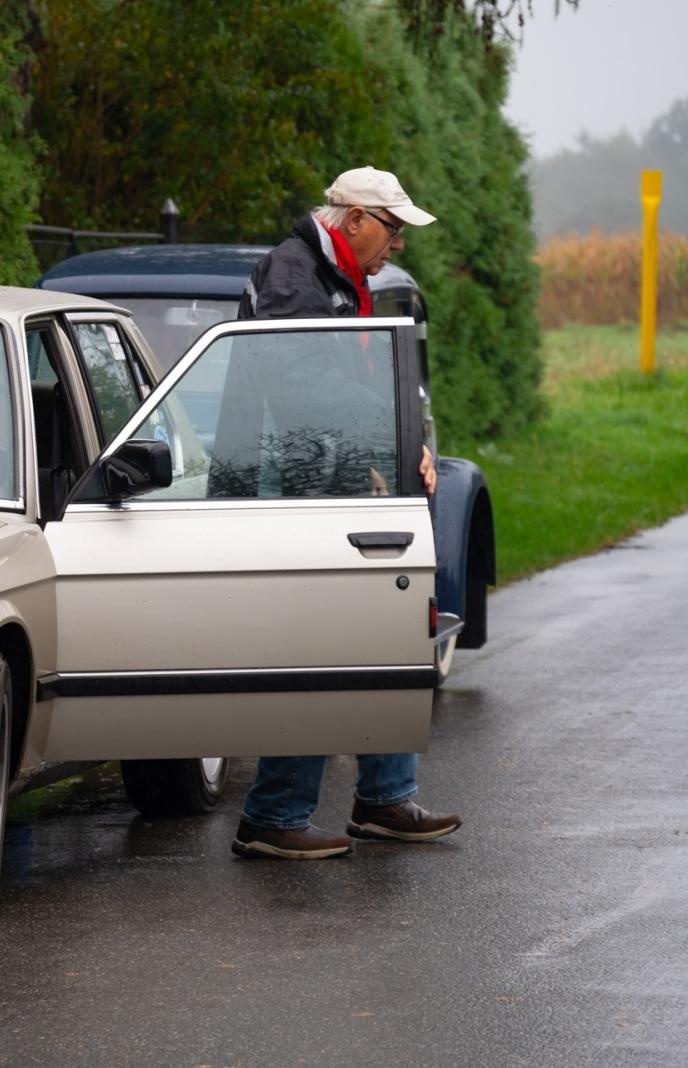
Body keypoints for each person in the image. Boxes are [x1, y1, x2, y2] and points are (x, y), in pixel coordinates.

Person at [231, 165, 463, 859]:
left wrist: (411, 446)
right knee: (321, 652)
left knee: (381, 636)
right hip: (294, 499)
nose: (399, 244)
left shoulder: (335, 275)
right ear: (355, 219)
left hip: (333, 490)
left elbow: (364, 386)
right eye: (393, 229)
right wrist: (394, 438)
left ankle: (385, 800)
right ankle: (272, 816)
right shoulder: (292, 276)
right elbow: (304, 391)